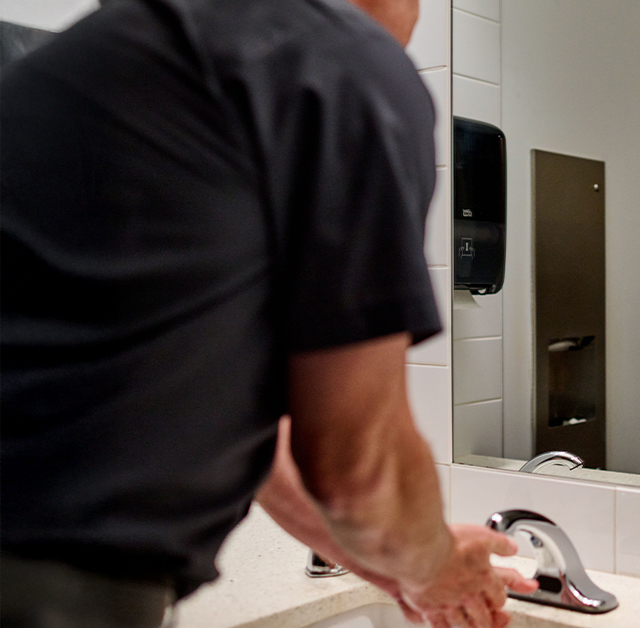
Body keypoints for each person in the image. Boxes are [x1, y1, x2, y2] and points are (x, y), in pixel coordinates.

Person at [0, 0, 534, 626]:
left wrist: (391, 565)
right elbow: (355, 462)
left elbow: (261, 440)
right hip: (48, 579)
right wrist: (434, 564)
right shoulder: (343, 61)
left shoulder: (135, 50)